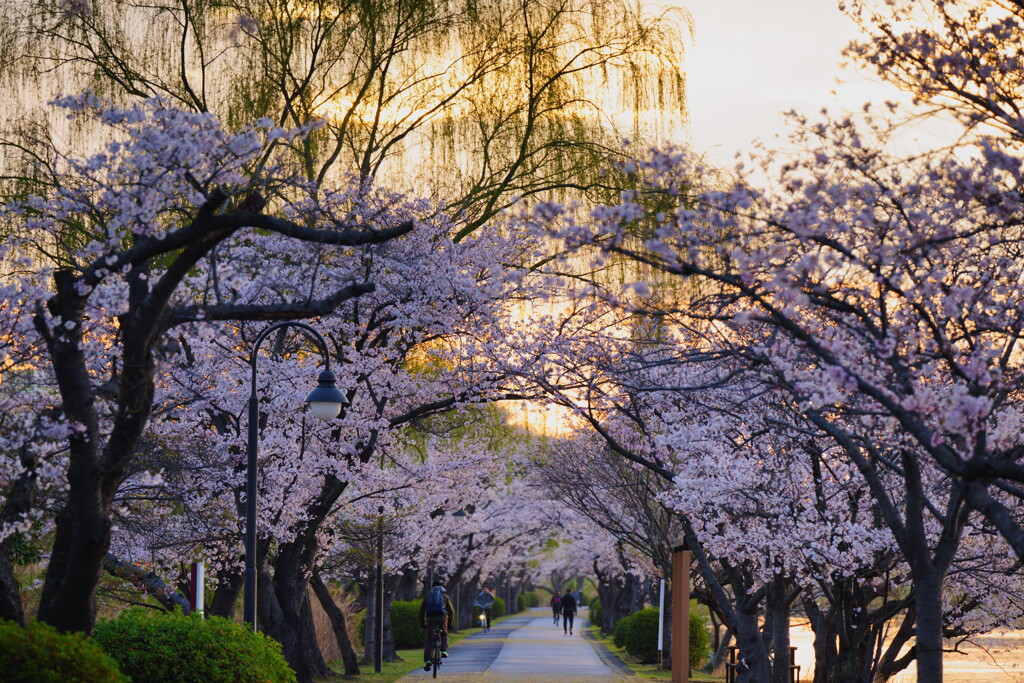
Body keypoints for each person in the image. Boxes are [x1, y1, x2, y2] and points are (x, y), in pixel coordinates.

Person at [419, 580, 455, 671]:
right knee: (444, 633)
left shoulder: (428, 595)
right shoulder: (445, 595)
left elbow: (422, 611)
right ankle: (443, 650)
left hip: (430, 619)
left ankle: (427, 660)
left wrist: (423, 623)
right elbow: (451, 611)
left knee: (429, 639)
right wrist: (450, 624)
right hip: (442, 618)